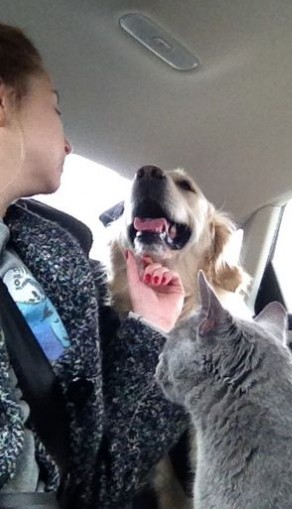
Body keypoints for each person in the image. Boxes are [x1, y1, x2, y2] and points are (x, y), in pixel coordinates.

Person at [0, 23, 188, 508]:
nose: (68, 144)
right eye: (56, 109)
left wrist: (151, 325)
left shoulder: (43, 261)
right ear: (2, 104)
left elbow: (99, 478)